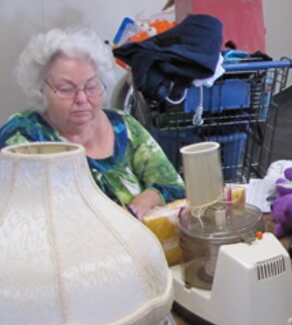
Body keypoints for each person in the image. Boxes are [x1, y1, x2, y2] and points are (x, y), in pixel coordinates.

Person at [0, 28, 185, 218]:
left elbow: (172, 186)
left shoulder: (124, 126)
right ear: (40, 89)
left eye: (91, 86)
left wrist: (136, 208)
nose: (82, 98)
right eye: (66, 89)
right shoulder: (22, 138)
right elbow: (23, 218)